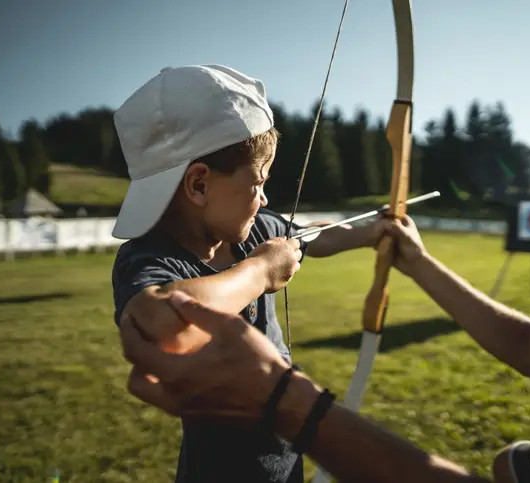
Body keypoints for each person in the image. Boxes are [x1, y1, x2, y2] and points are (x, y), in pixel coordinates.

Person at [119, 39, 530, 482]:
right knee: (518, 466)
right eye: (259, 182)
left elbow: (306, 238)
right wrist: (407, 254)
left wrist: (284, 397)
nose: (267, 198)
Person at [110, 64, 385, 483]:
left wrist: (372, 232)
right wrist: (258, 271)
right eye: (257, 181)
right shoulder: (150, 259)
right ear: (199, 185)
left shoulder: (253, 227)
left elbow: (315, 237)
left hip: (286, 454)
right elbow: (163, 318)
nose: (264, 196)